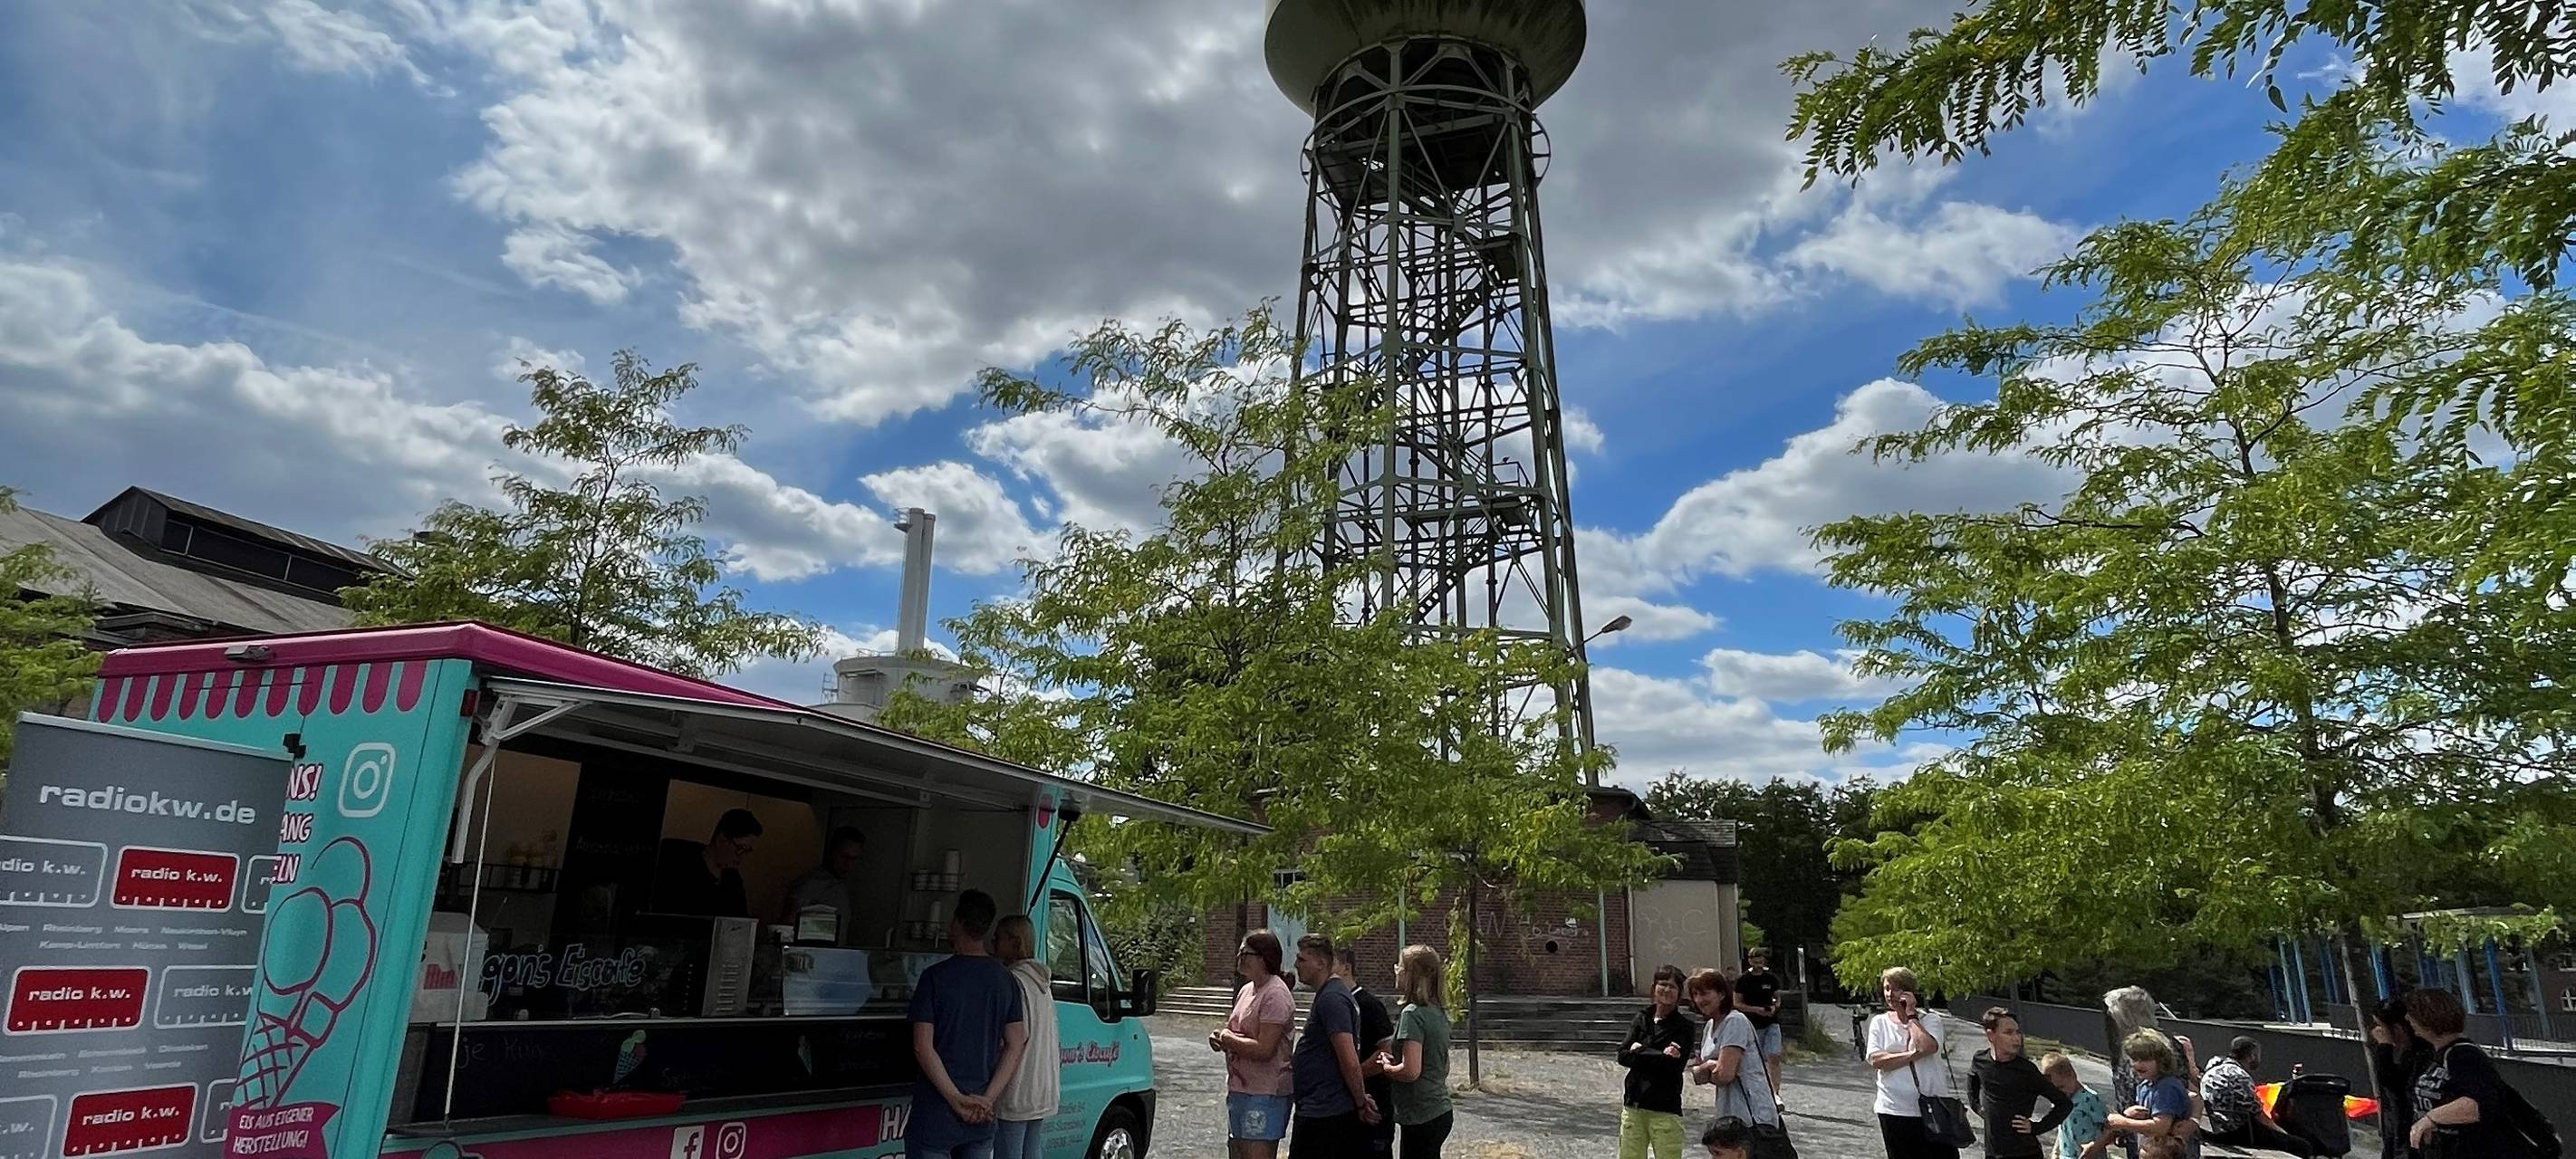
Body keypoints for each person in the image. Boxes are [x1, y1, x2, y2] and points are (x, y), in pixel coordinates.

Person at [907, 889, 1026, 1159]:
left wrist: (955, 1099)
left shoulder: (934, 978)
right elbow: (1016, 1044)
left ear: (957, 922)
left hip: (934, 1115)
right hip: (982, 1115)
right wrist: (987, 1099)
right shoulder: (1005, 980)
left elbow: (922, 1047)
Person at [2403, 988, 2525, 1157]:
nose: (2407, 1019)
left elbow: (2480, 1103)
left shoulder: (2463, 1055)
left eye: (2412, 1014)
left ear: (2429, 1018)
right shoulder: (2433, 1055)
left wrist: (2430, 1119)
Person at [1289, 933, 1379, 1155]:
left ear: (1321, 963)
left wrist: (1360, 1101)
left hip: (1325, 1113)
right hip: (1318, 1109)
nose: (1295, 965)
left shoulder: (1332, 999)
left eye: (1301, 959)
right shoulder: (1328, 995)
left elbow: (1348, 1058)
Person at [1211, 931, 1297, 1159]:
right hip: (1241, 1088)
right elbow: (1238, 1031)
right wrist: (1222, 1040)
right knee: (1238, 1152)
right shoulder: (1247, 990)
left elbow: (1264, 1049)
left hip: (1265, 1092)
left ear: (1262, 958)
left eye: (1244, 952)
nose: (1239, 957)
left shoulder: (1276, 994)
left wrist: (1229, 1039)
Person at [1865, 966, 1959, 1159]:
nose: (1890, 994)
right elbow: (1876, 1060)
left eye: (1897, 989)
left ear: (1910, 992)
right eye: (1887, 988)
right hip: (1894, 1108)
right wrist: (1912, 1055)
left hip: (1934, 1108)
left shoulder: (1930, 1020)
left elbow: (1929, 1047)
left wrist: (1911, 1017)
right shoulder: (1879, 1022)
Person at [1686, 969, 1782, 1143]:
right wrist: (1707, 1068)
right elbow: (1698, 1076)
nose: (1699, 1000)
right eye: (1695, 994)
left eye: (1705, 993)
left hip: (1752, 1114)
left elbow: (1724, 1075)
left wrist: (1707, 1068)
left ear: (1721, 994)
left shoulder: (1734, 1021)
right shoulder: (1709, 1026)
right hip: (1728, 1112)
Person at [988, 915, 1057, 1159]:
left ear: (1014, 942)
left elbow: (1015, 1037)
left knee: (1009, 1152)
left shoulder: (1014, 980)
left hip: (1017, 1085)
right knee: (1031, 1151)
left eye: (998, 938)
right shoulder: (1041, 982)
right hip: (1041, 1086)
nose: (993, 942)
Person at [1378, 943, 1453, 1159]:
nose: (1396, 970)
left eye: (1400, 966)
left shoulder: (1412, 1014)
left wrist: (1387, 1067)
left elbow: (1411, 1071)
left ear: (1413, 974)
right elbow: (1443, 1063)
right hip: (1438, 1109)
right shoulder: (1437, 1012)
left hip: (1422, 1113)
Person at [1968, 1007, 2071, 1159]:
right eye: (2008, 1032)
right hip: (1993, 1152)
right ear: (1991, 1035)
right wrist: (1978, 1107)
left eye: (2017, 1032)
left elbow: (2064, 1104)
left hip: (2025, 1152)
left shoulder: (2026, 1070)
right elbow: (1972, 1082)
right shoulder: (1980, 1060)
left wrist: (2036, 1127)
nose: (2016, 1038)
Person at [1620, 964, 1697, 1159]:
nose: (1666, 990)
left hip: (1665, 1107)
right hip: (1634, 1104)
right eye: (1662, 984)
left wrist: (1640, 1051)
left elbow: (1674, 1066)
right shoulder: (1642, 1018)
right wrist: (1659, 1054)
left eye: (1673, 986)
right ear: (1654, 987)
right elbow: (1622, 1055)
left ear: (1679, 993)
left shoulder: (1684, 1027)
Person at [2201, 1037, 2313, 1155]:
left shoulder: (2211, 1072)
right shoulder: (2240, 1076)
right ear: (2251, 1056)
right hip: (2240, 1134)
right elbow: (2260, 1116)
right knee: (2303, 1146)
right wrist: (2283, 1133)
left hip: (2218, 1129)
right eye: (2258, 1055)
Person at [1338, 945, 1399, 1158]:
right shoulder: (1332, 1003)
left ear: (1346, 968)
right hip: (1346, 1107)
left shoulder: (1369, 1005)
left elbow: (1387, 1053)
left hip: (1374, 1103)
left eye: (1331, 965)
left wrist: (1353, 1074)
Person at [651, 808, 760, 917]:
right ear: (721, 840)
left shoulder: (733, 879)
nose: (742, 856)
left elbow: (741, 922)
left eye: (747, 851)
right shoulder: (680, 868)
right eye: (740, 848)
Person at [2107, 1030, 2195, 1156]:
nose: (2138, 1064)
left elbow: (2160, 1127)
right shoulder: (2144, 1085)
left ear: (2161, 1060)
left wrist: (2122, 1122)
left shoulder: (2166, 1086)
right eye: (2135, 1059)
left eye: (2145, 1059)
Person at [2369, 994, 2433, 1159]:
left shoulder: (2421, 1057)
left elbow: (2393, 1083)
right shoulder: (2406, 1054)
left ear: (2396, 1029)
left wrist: (2384, 1047)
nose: (2376, 1032)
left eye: (2380, 1027)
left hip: (2412, 1139)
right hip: (2399, 1136)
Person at [780, 826, 863, 937]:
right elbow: (786, 928)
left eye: (854, 859)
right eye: (844, 857)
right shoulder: (811, 883)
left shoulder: (841, 888)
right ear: (832, 852)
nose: (848, 864)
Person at [1735, 948, 1788, 1114]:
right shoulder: (1743, 980)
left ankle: (1776, 1093)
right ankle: (1755, 1093)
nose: (1759, 962)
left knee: (1774, 1056)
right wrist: (1755, 1009)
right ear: (1750, 960)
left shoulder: (1771, 978)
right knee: (1754, 1060)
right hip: (1751, 1025)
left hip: (1771, 1022)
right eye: (1755, 959)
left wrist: (1774, 1006)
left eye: (1761, 958)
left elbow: (1777, 996)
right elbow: (1737, 1003)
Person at [2039, 1051, 2112, 1159]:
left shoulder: (2089, 1099)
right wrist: (2055, 1152)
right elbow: (2062, 1128)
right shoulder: (2060, 1102)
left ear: (2072, 1075)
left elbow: (2109, 1128)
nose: (2059, 1094)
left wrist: (2096, 1146)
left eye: (2061, 1087)